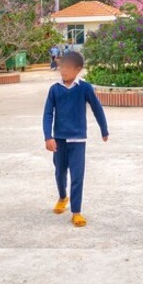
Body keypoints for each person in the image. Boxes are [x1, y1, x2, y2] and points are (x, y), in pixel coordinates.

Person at [42, 51, 109, 227]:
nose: (63, 71)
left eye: (67, 68)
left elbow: (97, 108)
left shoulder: (84, 88)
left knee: (77, 175)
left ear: (78, 69)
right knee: (59, 171)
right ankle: (63, 197)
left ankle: (76, 212)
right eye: (61, 67)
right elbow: (48, 113)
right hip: (59, 139)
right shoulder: (55, 89)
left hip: (78, 140)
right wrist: (48, 136)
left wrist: (104, 129)